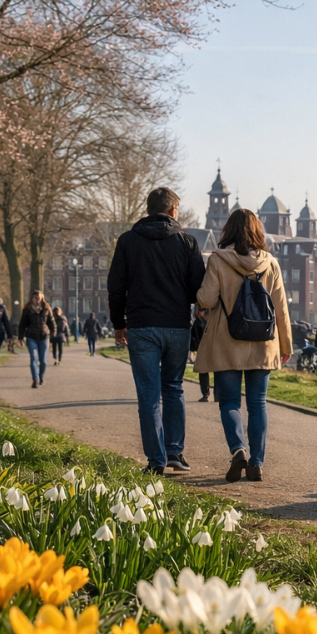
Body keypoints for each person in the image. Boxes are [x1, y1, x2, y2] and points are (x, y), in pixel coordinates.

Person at [108, 187, 206, 476]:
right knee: (173, 388)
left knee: (148, 394)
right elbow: (197, 288)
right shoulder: (187, 243)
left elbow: (116, 286)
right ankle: (175, 452)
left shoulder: (127, 241)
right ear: (173, 210)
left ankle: (156, 459)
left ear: (149, 209)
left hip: (141, 326)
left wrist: (118, 324)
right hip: (176, 325)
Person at [194, 207, 291, 483]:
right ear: (258, 231)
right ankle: (257, 464)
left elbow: (208, 300)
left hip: (227, 342)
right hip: (264, 342)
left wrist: (200, 294)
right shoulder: (271, 263)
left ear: (228, 230)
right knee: (258, 403)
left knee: (229, 402)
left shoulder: (218, 260)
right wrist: (286, 345)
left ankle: (239, 450)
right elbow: (281, 308)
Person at [17, 290, 56, 388]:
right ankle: (35, 379)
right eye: (35, 297)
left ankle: (41, 376)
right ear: (32, 298)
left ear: (42, 297)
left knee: (43, 360)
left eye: (39, 297)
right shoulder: (27, 309)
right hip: (31, 336)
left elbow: (52, 322)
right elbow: (22, 324)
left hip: (44, 336)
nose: (37, 299)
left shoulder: (47, 308)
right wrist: (20, 337)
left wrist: (53, 334)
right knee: (34, 358)